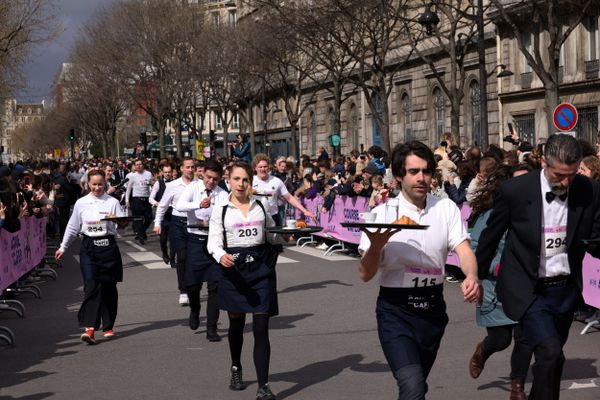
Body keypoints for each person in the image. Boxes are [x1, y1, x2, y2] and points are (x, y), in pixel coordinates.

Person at [475, 133, 600, 400]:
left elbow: (595, 239)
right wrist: (474, 276)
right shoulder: (515, 191)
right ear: (543, 162)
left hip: (565, 290)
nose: (566, 182)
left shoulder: (589, 189)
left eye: (572, 174)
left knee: (552, 358)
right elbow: (490, 236)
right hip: (528, 288)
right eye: (559, 175)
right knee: (550, 350)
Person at [357, 141, 480, 400]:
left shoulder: (445, 208)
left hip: (432, 310)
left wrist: (471, 276)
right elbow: (365, 274)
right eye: (413, 172)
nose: (421, 178)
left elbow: (464, 250)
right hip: (395, 312)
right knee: (412, 386)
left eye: (426, 171)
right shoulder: (382, 213)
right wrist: (376, 247)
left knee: (416, 386)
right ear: (399, 175)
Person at [207, 161, 289, 400]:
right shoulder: (220, 209)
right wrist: (221, 255)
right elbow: (213, 241)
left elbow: (271, 234)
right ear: (228, 180)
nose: (241, 184)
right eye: (236, 179)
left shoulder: (261, 204)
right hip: (234, 271)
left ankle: (263, 385)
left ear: (251, 181)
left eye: (245, 180)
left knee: (262, 328)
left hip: (261, 269)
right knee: (237, 324)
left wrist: (286, 236)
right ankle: (236, 366)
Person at [467, 163, 533, 399]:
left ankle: (517, 387)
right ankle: (483, 350)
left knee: (524, 337)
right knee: (502, 338)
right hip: (495, 286)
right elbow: (475, 248)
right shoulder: (492, 214)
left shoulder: (538, 214)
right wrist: (496, 265)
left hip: (527, 287)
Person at [55, 169, 128, 344]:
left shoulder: (113, 202)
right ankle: (89, 328)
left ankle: (108, 326)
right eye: (94, 184)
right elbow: (73, 227)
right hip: (88, 247)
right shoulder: (81, 203)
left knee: (109, 287)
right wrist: (63, 247)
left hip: (108, 247)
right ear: (88, 184)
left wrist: (120, 221)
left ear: (105, 184)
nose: (97, 188)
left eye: (100, 184)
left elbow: (121, 227)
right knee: (91, 285)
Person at [176, 159, 229, 341]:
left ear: (220, 178)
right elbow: (180, 206)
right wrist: (198, 205)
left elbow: (226, 214)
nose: (211, 182)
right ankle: (195, 310)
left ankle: (211, 329)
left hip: (214, 241)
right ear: (202, 173)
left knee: (215, 286)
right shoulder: (193, 188)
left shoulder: (222, 194)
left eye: (215, 179)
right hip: (195, 240)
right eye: (208, 177)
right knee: (192, 285)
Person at [153, 158, 196, 305]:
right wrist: (157, 222)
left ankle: (193, 286)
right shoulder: (173, 185)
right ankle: (183, 290)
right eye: (187, 167)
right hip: (177, 223)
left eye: (192, 167)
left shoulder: (199, 185)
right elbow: (163, 206)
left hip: (195, 223)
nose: (190, 169)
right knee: (182, 256)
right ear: (182, 169)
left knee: (193, 258)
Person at [252, 154, 315, 226]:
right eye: (260, 167)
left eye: (265, 166)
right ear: (255, 168)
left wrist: (304, 211)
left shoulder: (276, 181)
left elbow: (289, 197)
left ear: (268, 167)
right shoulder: (250, 181)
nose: (263, 169)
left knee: (274, 237)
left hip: (273, 217)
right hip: (256, 217)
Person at [126, 159, 154, 245]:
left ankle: (141, 231)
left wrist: (153, 198)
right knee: (138, 219)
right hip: (136, 199)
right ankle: (141, 237)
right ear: (134, 166)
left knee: (149, 218)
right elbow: (129, 189)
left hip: (146, 199)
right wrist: (127, 200)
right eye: (136, 165)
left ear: (143, 165)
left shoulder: (148, 174)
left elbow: (152, 185)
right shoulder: (132, 176)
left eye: (140, 164)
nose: (138, 166)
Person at [150, 163, 174, 264]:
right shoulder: (158, 184)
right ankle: (165, 253)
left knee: (174, 239)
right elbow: (150, 198)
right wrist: (157, 203)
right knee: (163, 238)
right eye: (165, 172)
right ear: (162, 173)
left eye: (169, 172)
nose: (167, 174)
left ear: (172, 172)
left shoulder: (176, 183)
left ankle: (173, 259)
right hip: (163, 215)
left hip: (174, 214)